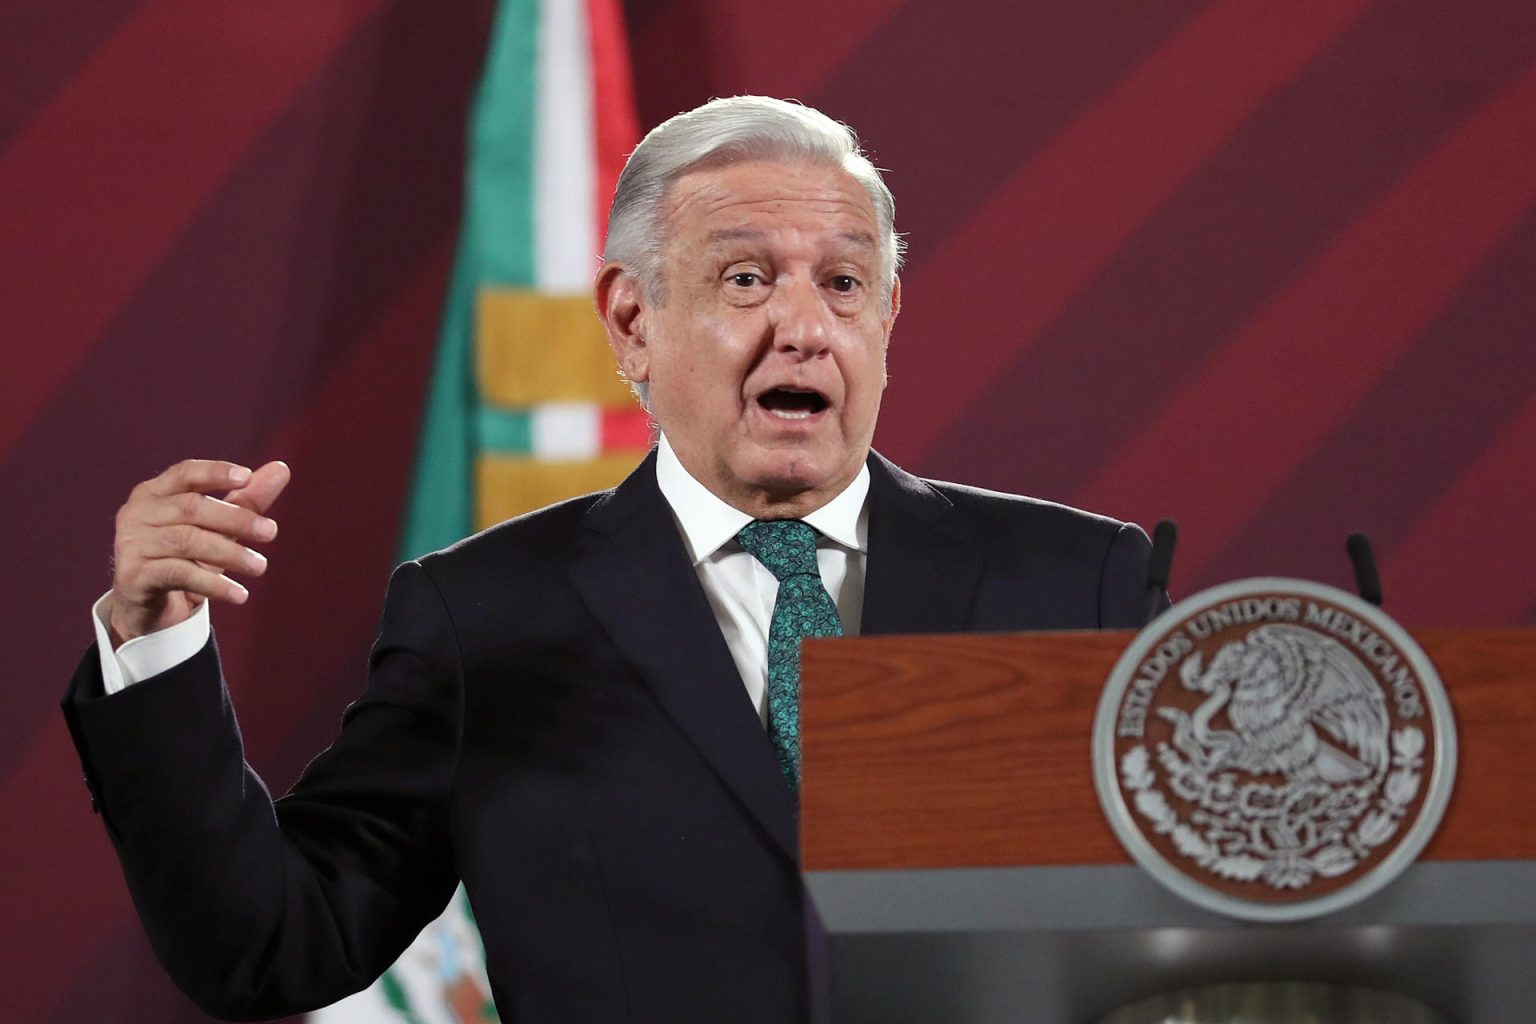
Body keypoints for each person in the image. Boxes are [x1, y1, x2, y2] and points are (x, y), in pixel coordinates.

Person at [63, 96, 1161, 1023]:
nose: (804, 326)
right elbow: (275, 944)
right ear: (632, 321)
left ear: (887, 315)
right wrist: (157, 649)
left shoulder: (1075, 583)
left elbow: (1188, 944)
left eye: (843, 283)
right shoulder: (484, 618)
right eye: (744, 278)